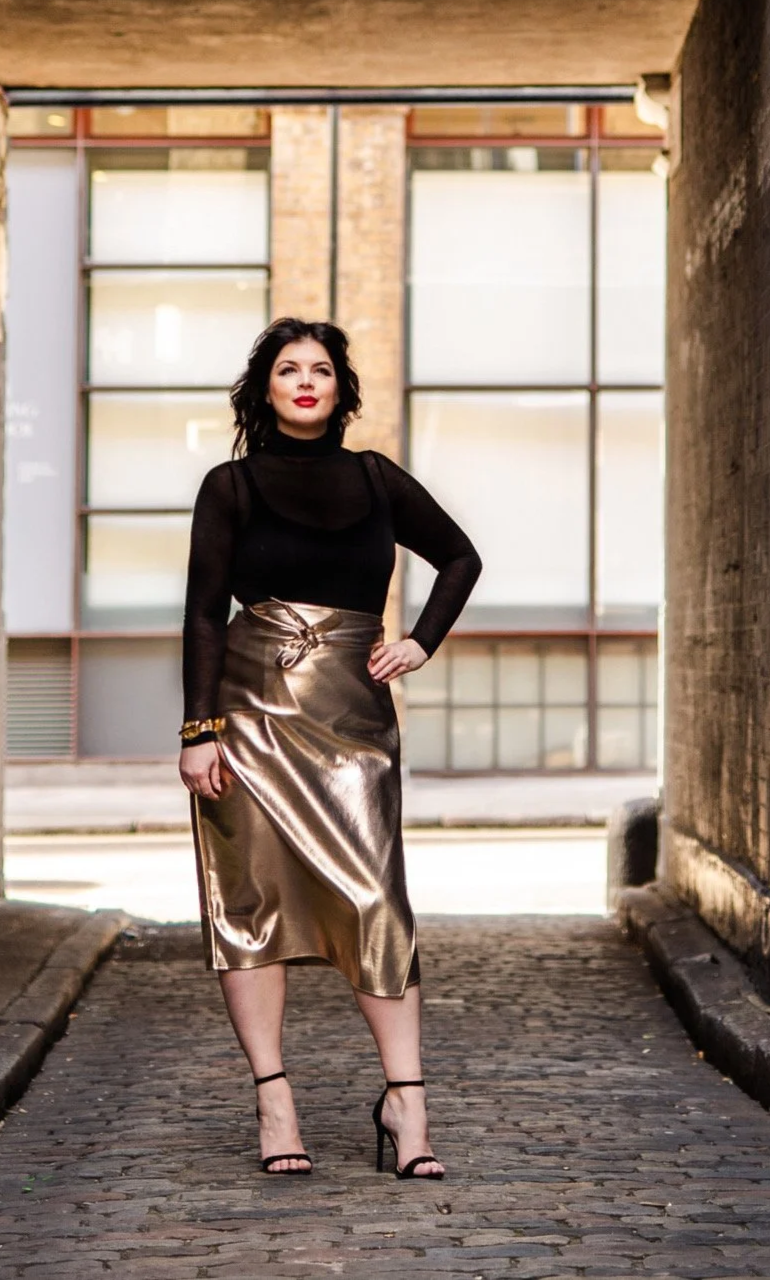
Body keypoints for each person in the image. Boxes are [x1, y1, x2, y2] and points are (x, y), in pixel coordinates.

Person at [179, 317, 482, 1179]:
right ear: (265, 388)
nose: (305, 381)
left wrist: (420, 640)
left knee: (377, 901)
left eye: (320, 370)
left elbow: (459, 557)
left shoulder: (376, 479)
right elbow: (204, 613)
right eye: (288, 369)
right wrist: (200, 729)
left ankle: (406, 1103)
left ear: (340, 389)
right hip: (249, 714)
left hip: (353, 719)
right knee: (252, 906)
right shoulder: (230, 486)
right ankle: (276, 1103)